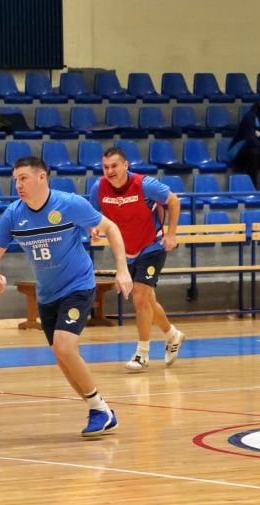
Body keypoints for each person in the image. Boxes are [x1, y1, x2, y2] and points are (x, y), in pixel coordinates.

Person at [0, 156, 133, 437]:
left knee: (64, 347)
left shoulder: (69, 204)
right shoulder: (13, 215)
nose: (18, 185)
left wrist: (122, 270)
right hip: (47, 294)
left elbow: (111, 228)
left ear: (42, 177)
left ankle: (99, 410)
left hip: (78, 286)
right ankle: (100, 409)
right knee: (63, 359)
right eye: (15, 180)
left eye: (23, 178)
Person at [88, 147, 185, 371]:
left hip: (152, 246)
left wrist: (171, 234)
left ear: (125, 165)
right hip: (126, 251)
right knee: (148, 301)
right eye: (105, 167)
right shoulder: (98, 188)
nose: (110, 171)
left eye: (114, 166)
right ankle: (173, 335)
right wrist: (93, 228)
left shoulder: (145, 185)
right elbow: (93, 215)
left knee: (140, 297)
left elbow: (173, 201)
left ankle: (142, 354)